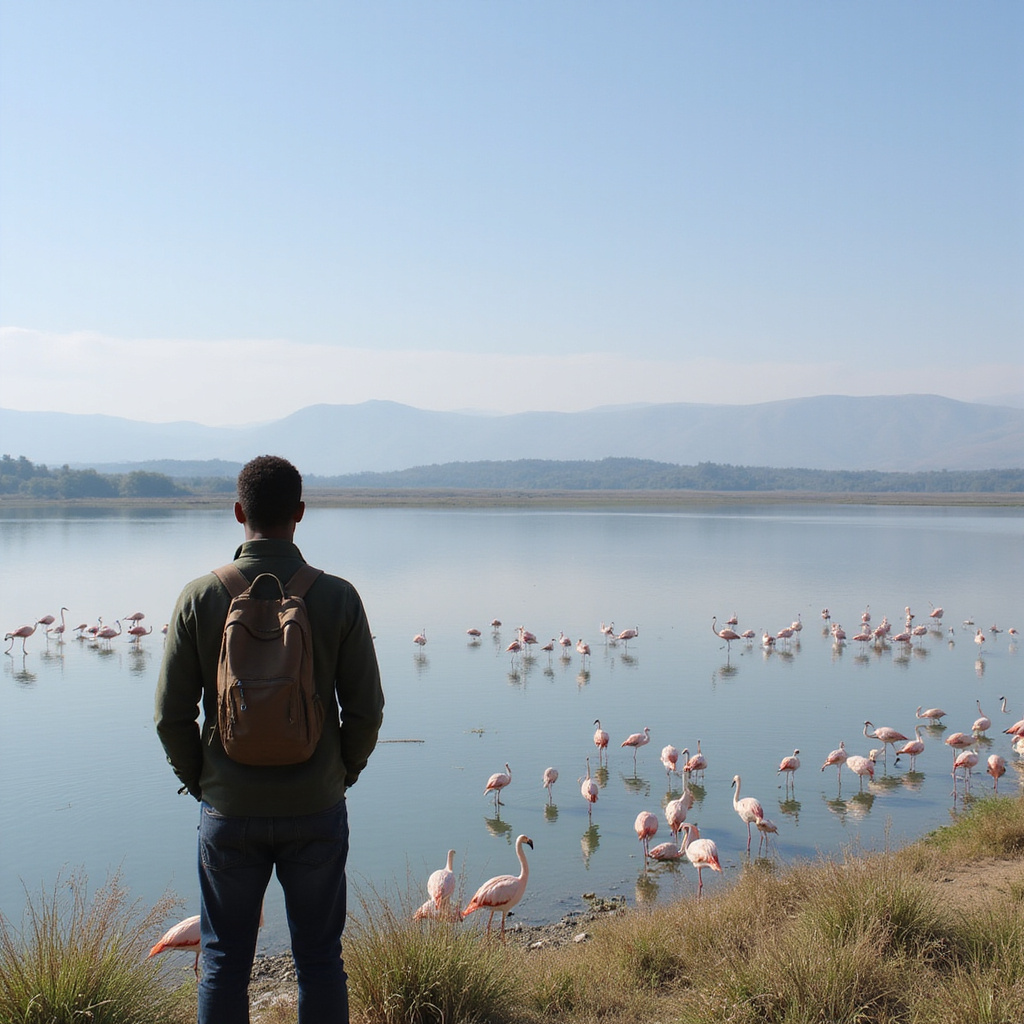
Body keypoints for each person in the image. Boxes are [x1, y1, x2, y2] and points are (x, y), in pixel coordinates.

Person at [155, 454, 384, 1024]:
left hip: (228, 810)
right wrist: (339, 771)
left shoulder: (199, 598)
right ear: (300, 514)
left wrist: (204, 781)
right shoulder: (338, 597)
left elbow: (169, 714)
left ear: (238, 512)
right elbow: (367, 710)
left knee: (224, 961)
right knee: (320, 959)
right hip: (316, 806)